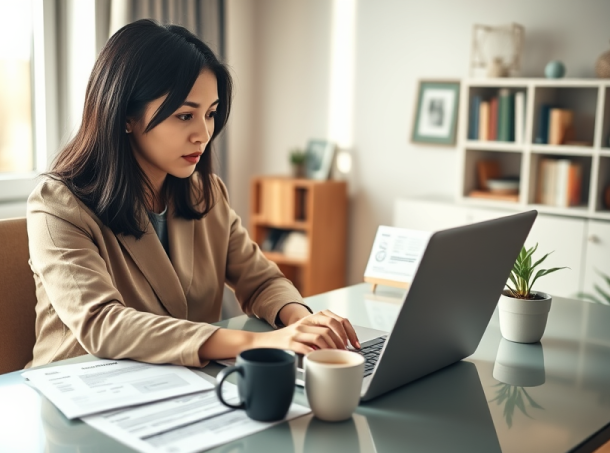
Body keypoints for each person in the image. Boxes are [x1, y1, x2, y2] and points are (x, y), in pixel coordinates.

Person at [25, 19, 359, 369]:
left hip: (179, 388)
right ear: (126, 115)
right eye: (185, 115)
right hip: (79, 390)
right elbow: (102, 323)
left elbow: (260, 280)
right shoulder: (57, 205)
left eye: (211, 114)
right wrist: (259, 342)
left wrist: (299, 323)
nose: (203, 134)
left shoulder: (207, 194)